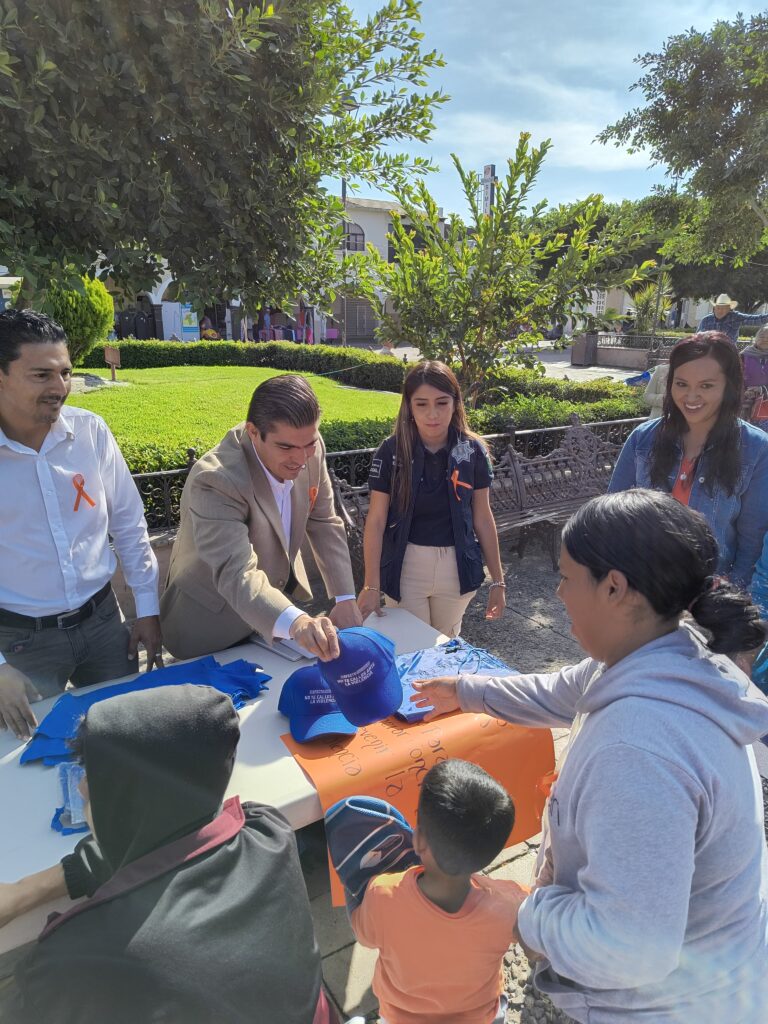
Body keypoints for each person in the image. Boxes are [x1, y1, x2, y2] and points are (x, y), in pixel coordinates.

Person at [412, 490, 768, 1024]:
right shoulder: (667, 649)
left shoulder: (638, 752)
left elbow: (628, 949)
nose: (557, 593)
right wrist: (464, 690)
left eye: (565, 577)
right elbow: (559, 691)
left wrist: (525, 913)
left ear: (615, 588)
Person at [0, 685, 335, 1024]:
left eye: (93, 774)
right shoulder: (267, 831)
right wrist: (26, 890)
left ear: (126, 799)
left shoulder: (76, 957)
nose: (81, 786)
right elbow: (166, 844)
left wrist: (22, 894)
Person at [0, 309, 161, 741]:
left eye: (66, 373)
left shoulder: (90, 433)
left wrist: (147, 609)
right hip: (21, 644)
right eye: (41, 375)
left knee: (128, 738)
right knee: (30, 755)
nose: (59, 388)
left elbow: (129, 523)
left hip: (104, 624)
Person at [160, 374, 362, 661]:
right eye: (286, 447)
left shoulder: (309, 447)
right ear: (253, 432)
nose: (301, 459)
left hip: (277, 616)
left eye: (309, 444)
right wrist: (298, 622)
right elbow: (237, 572)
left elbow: (324, 521)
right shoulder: (216, 479)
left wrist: (345, 597)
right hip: (210, 628)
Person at [342, 760, 525, 1024]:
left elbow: (363, 935)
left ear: (418, 840)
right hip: (475, 1017)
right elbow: (538, 922)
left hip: (400, 1018)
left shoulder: (382, 894)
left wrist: (351, 880)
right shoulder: (510, 905)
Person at [608, 332, 768, 589]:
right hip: (644, 586)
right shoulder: (643, 439)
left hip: (709, 594)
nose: (691, 397)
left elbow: (753, 538)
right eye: (681, 384)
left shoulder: (755, 448)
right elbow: (614, 515)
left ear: (729, 386)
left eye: (706, 386)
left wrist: (731, 591)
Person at [358, 361, 505, 638]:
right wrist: (371, 585)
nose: (433, 414)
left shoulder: (473, 451)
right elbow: (376, 521)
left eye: (442, 403)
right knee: (411, 644)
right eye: (421, 404)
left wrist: (498, 581)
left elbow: (483, 517)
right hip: (406, 566)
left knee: (445, 645)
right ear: (409, 406)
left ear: (455, 403)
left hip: (456, 566)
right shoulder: (391, 451)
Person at [697, 293, 768, 345]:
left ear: (729, 309)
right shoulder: (706, 320)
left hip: (729, 353)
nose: (720, 311)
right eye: (718, 308)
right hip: (709, 353)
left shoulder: (735, 317)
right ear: (714, 308)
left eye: (724, 308)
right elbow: (697, 338)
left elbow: (756, 319)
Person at [741, 325, 768, 391]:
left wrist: (762, 389)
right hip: (745, 394)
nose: (765, 340)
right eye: (762, 336)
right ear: (756, 338)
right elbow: (735, 377)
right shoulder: (743, 356)